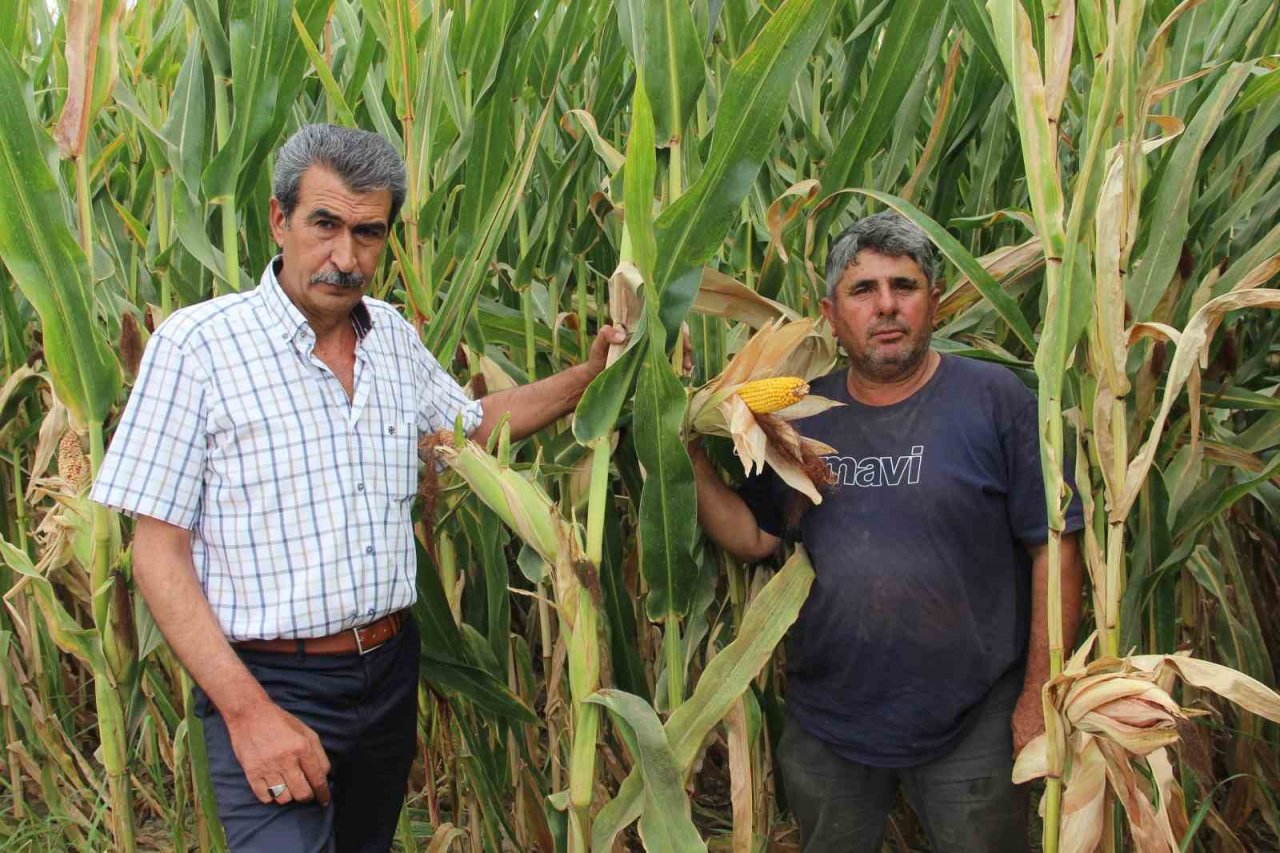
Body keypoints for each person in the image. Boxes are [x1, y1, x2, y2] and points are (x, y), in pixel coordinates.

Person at [90, 124, 625, 852]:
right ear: (279, 220)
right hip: (268, 679)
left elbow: (469, 428)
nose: (346, 258)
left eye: (368, 233)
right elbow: (158, 552)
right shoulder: (198, 347)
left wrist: (590, 378)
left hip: (388, 671)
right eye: (325, 225)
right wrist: (248, 713)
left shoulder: (393, 338)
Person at [690, 211, 1085, 852]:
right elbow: (754, 537)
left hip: (973, 719)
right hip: (830, 722)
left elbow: (1055, 546)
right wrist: (687, 451)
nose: (886, 306)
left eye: (904, 286)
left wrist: (1037, 699)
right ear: (831, 313)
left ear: (935, 301)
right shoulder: (799, 415)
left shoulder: (997, 400)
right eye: (863, 290)